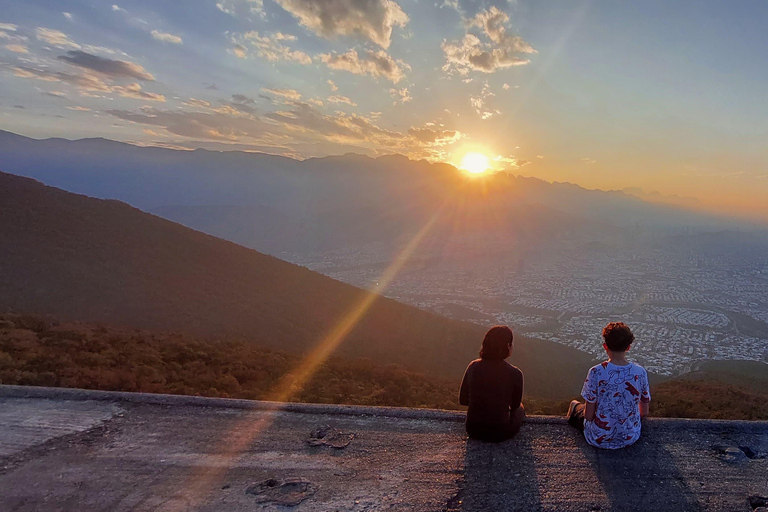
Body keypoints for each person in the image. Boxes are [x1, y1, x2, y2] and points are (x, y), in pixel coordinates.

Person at [567, 322, 651, 449]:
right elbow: (644, 412)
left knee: (574, 404)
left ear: (605, 346)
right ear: (628, 347)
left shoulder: (596, 372)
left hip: (598, 438)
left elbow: (588, 416)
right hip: (630, 437)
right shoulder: (640, 372)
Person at [459, 325, 525, 442]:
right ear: (508, 346)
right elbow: (515, 406)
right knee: (520, 408)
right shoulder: (515, 373)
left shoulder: (473, 367)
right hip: (500, 431)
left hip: (473, 429)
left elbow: (463, 400)